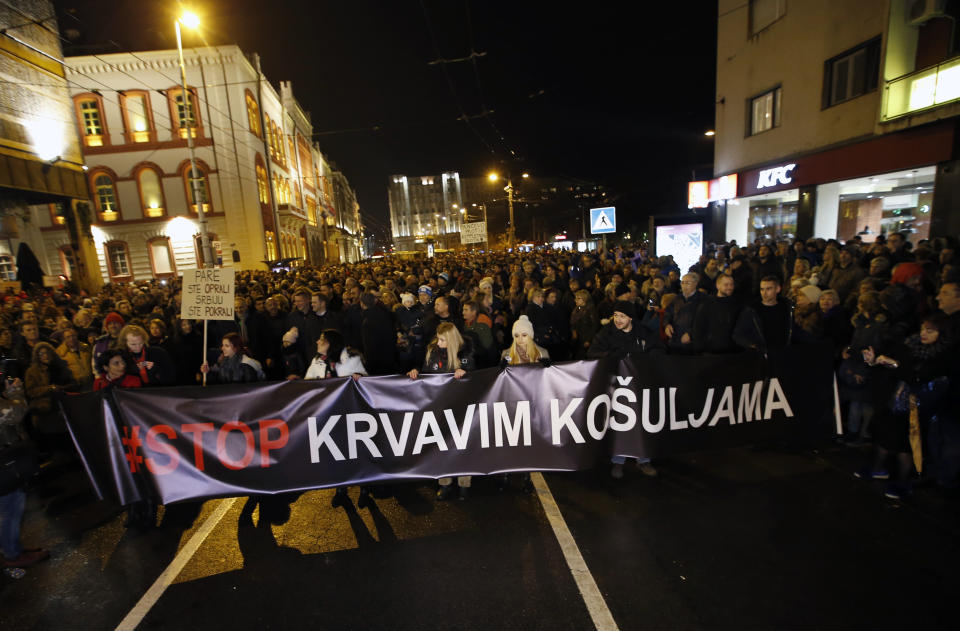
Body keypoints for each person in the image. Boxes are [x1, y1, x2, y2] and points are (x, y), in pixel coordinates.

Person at [857, 314, 952, 500]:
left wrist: (894, 364)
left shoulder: (943, 355)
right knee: (886, 438)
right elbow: (896, 368)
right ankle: (879, 470)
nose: (924, 333)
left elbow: (917, 378)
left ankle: (904, 483)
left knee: (906, 446)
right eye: (923, 329)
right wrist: (875, 362)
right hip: (897, 402)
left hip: (920, 408)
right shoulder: (910, 346)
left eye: (930, 330)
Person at [588, 300, 661, 478]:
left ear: (630, 318)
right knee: (620, 423)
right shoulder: (607, 333)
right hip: (617, 387)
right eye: (615, 316)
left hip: (639, 386)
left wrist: (648, 358)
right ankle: (618, 461)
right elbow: (592, 352)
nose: (618, 320)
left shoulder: (643, 332)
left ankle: (644, 460)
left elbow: (659, 348)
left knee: (642, 422)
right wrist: (612, 357)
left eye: (622, 316)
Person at [408, 322, 474, 500]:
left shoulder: (465, 352)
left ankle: (464, 484)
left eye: (443, 340)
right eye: (438, 338)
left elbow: (476, 376)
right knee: (441, 446)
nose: (438, 343)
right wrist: (416, 371)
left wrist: (465, 371)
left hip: (461, 406)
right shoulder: (432, 350)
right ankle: (444, 483)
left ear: (452, 340)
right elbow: (426, 373)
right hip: (439, 406)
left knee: (461, 447)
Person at [305, 329, 369, 507]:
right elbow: (308, 384)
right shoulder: (317, 362)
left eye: (321, 339)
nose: (317, 342)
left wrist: (360, 378)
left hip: (350, 415)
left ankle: (365, 488)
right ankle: (341, 489)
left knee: (357, 453)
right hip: (328, 416)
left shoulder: (351, 360)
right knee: (336, 454)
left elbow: (368, 385)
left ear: (331, 343)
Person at [0, 376, 49, 571]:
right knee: (10, 510)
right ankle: (12, 554)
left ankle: (11, 548)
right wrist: (15, 392)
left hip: (7, 462)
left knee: (10, 508)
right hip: (4, 467)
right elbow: (16, 413)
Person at [201, 333, 265, 383]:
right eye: (223, 345)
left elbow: (250, 390)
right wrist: (207, 372)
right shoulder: (223, 362)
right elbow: (218, 383)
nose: (222, 348)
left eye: (227, 346)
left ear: (236, 347)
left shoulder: (246, 364)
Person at [663, 273, 702, 355]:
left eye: (688, 283)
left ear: (695, 283)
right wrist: (667, 324)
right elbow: (668, 313)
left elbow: (704, 321)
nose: (684, 285)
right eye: (682, 282)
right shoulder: (677, 299)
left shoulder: (703, 300)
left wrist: (691, 334)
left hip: (693, 343)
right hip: (675, 339)